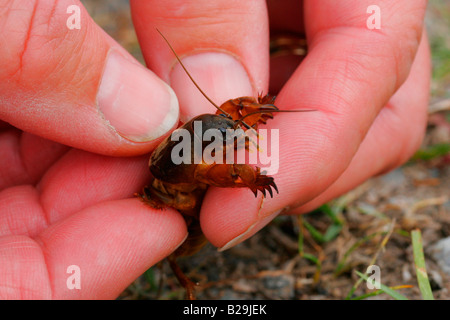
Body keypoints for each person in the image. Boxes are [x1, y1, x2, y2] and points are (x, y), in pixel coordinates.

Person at [0, 0, 430, 299]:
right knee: (182, 213)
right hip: (176, 214)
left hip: (185, 195)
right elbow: (210, 172)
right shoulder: (196, 164)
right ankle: (186, 282)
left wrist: (257, 110)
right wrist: (256, 178)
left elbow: (221, 132)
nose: (231, 132)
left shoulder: (208, 134)